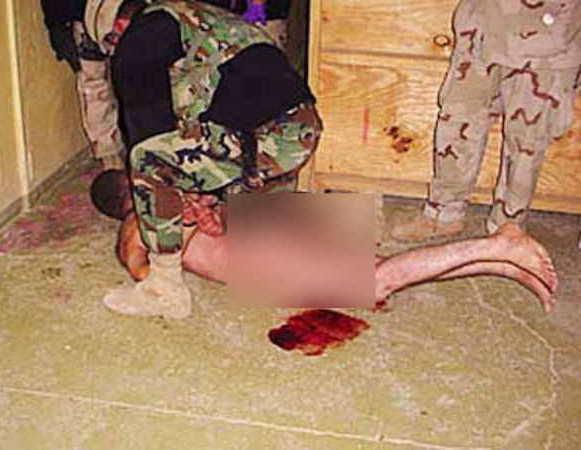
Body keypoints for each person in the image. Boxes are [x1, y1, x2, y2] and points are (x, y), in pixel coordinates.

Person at [101, 0, 322, 318]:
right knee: (254, 236)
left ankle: (164, 291)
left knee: (146, 158)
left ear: (119, 28)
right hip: (296, 130)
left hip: (266, 139)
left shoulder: (139, 39)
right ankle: (361, 253)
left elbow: (151, 140)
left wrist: (181, 192)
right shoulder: (200, 20)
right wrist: (210, 197)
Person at [115, 209, 558, 316]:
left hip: (259, 257)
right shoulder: (172, 192)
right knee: (386, 268)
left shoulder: (137, 218)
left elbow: (141, 269)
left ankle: (497, 245)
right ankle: (501, 264)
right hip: (267, 234)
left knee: (377, 282)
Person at [392, 0, 581, 241]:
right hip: (482, 27)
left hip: (552, 40)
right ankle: (444, 215)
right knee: (457, 120)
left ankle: (507, 229)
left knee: (527, 142)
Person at [40, 0, 129, 170]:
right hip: (86, 17)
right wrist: (57, 28)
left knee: (118, 82)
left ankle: (122, 152)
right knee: (95, 87)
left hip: (117, 12)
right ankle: (109, 155)